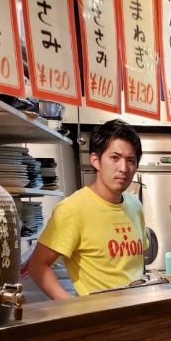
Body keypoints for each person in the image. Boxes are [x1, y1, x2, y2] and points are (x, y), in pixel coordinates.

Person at [29, 119, 147, 299]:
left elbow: (132, 268)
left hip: (138, 314)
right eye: (114, 158)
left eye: (130, 160)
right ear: (96, 160)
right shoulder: (72, 209)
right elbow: (37, 265)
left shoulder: (135, 206)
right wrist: (72, 307)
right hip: (99, 320)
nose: (123, 168)